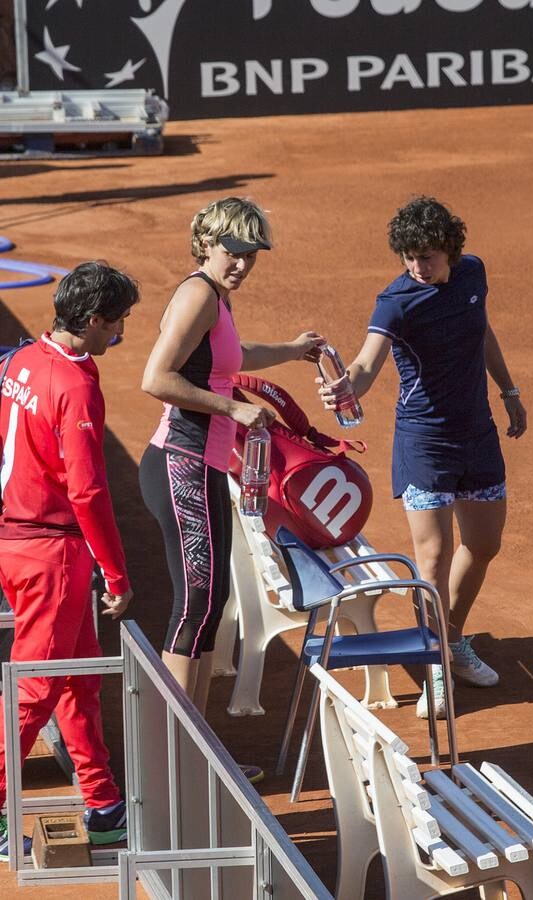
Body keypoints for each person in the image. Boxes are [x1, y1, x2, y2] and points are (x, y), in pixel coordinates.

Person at [319, 196, 527, 719]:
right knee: (432, 558)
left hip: (477, 435)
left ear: (451, 250)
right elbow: (368, 362)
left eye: (427, 256)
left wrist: (508, 390)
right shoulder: (396, 301)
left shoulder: (473, 272)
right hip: (424, 441)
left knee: (483, 544)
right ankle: (435, 662)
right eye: (409, 257)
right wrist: (349, 387)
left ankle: (450, 640)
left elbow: (481, 331)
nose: (417, 267)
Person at [139, 197, 322, 779]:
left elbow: (230, 358)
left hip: (199, 465)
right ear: (208, 244)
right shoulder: (197, 294)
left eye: (251, 255)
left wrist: (291, 351)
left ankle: (195, 750)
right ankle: (177, 759)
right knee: (196, 605)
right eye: (233, 252)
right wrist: (232, 411)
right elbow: (156, 378)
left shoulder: (216, 297)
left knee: (209, 603)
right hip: (179, 464)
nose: (242, 263)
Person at [0, 261, 139, 857]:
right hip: (51, 556)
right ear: (90, 320)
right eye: (116, 324)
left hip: (19, 544)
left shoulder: (23, 359)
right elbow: (88, 490)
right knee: (34, 689)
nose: (121, 336)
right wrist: (116, 572)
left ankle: (103, 804)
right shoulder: (76, 384)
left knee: (79, 679)